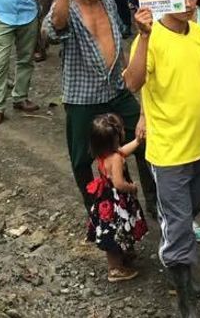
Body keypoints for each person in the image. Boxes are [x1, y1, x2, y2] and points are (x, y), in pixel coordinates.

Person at [124, 0, 200, 316]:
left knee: (192, 208)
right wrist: (142, 36)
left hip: (198, 145)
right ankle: (185, 297)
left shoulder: (198, 33)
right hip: (168, 151)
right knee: (179, 222)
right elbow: (132, 82)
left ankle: (177, 263)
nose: (187, 3)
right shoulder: (149, 37)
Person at [44, 0, 158, 213]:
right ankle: (98, 213)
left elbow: (118, 37)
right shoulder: (67, 5)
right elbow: (53, 30)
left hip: (116, 90)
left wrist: (133, 74)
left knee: (145, 140)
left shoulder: (107, 1)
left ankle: (154, 201)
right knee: (83, 158)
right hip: (83, 97)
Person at [85, 112, 149, 283]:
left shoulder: (103, 154)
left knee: (114, 231)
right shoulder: (116, 159)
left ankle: (122, 256)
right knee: (117, 231)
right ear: (115, 138)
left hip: (105, 200)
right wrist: (132, 187)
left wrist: (137, 141)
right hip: (117, 202)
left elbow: (122, 151)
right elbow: (119, 183)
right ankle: (115, 268)